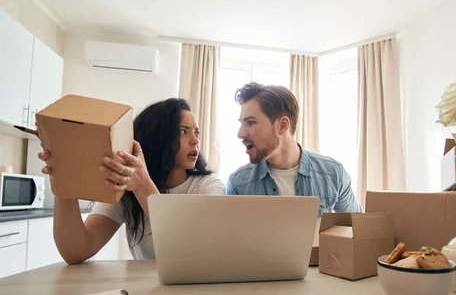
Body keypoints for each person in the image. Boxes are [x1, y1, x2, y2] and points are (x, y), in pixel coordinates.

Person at [38, 98, 225, 264]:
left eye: (196, 132)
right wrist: (63, 177)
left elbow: (194, 252)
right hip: (146, 290)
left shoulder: (209, 186)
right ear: (156, 137)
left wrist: (142, 185)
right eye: (183, 131)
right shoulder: (127, 188)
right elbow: (76, 251)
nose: (195, 141)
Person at [226, 82, 362, 216]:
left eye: (251, 122)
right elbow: (231, 236)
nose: (240, 134)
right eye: (242, 124)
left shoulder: (333, 173)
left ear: (282, 125)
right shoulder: (238, 183)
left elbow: (357, 228)